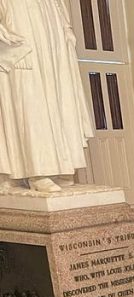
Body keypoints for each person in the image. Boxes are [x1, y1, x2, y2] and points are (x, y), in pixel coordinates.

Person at [0, 0, 94, 193]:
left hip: (49, 30)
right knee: (28, 99)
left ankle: (58, 166)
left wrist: (65, 28)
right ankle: (36, 170)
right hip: (19, 29)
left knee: (56, 97)